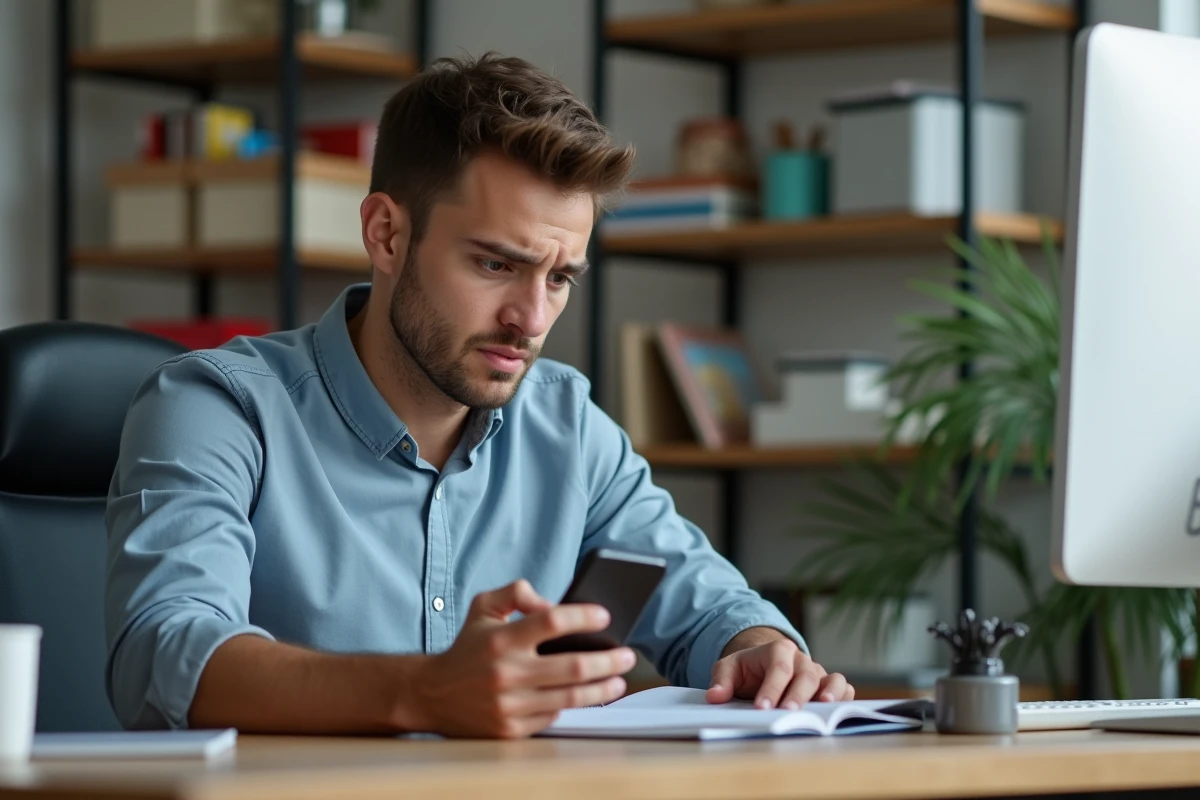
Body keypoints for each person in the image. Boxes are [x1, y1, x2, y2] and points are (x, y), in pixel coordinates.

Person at [104, 52, 853, 739]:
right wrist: (422, 692)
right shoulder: (215, 408)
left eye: (559, 279)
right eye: (497, 265)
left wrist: (762, 649)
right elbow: (164, 650)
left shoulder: (567, 424)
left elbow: (707, 605)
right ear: (388, 234)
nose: (531, 319)